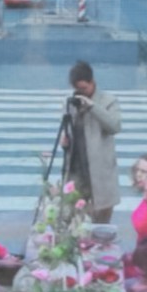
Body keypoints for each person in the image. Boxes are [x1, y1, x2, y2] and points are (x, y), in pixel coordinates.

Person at [62, 60, 121, 224]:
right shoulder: (71, 103)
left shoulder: (109, 101)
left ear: (92, 82)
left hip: (100, 173)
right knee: (71, 221)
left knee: (101, 223)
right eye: (77, 89)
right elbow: (68, 130)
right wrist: (64, 142)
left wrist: (93, 107)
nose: (81, 93)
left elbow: (114, 126)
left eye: (84, 88)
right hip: (76, 172)